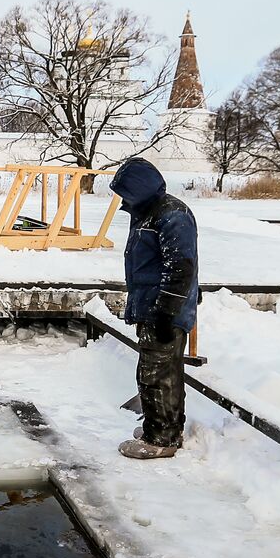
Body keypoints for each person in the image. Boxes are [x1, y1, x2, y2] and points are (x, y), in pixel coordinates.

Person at [110, 157, 199, 460]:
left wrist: (165, 311)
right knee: (164, 371)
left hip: (164, 311)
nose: (123, 200)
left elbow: (180, 268)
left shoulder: (172, 216)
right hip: (152, 305)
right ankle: (166, 429)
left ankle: (159, 439)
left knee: (155, 373)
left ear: (140, 189)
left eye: (126, 193)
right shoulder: (147, 212)